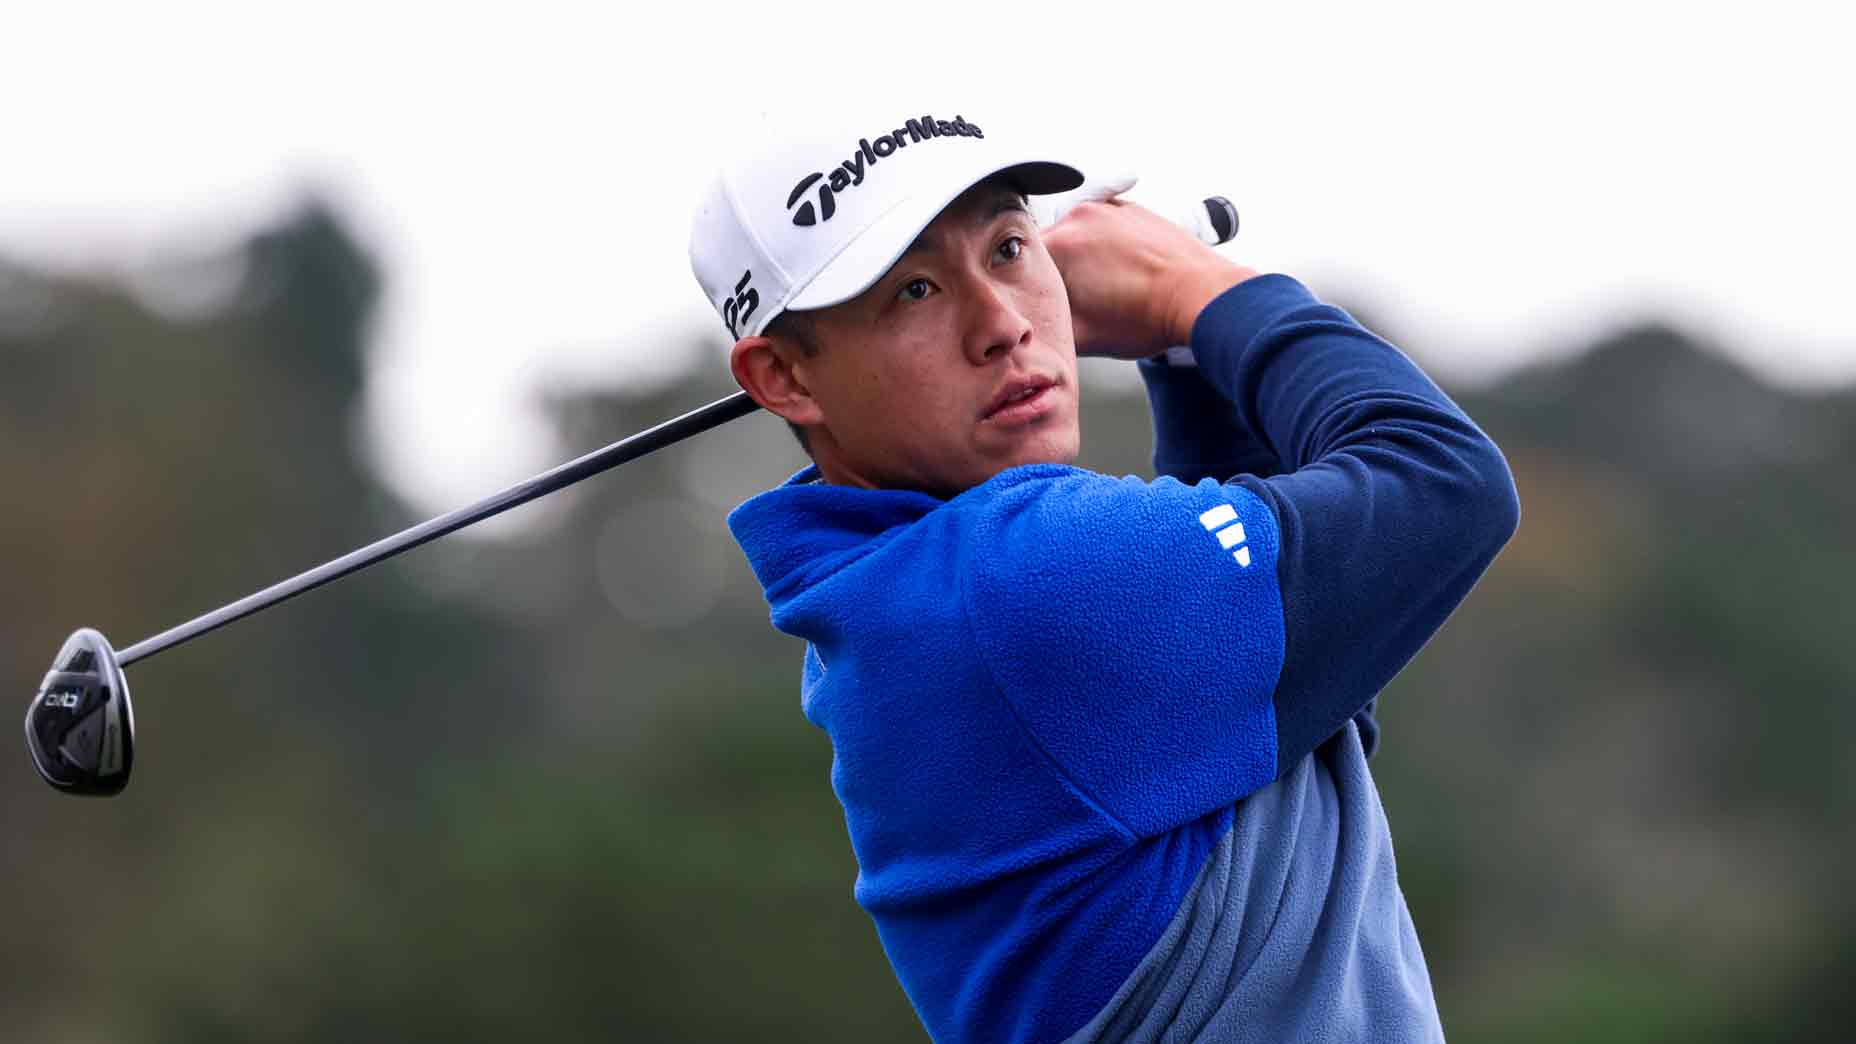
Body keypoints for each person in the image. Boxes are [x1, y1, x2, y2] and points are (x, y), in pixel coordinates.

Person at [688, 109, 1519, 1043]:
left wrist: (1180, 354)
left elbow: (1307, 677)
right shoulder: (1018, 583)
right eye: (914, 290)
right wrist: (1195, 290)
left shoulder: (905, 598)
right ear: (785, 378)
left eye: (1009, 247)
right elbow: (1446, 483)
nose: (1003, 326)